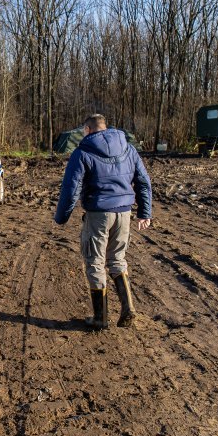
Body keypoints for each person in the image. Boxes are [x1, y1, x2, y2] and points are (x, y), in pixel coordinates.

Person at [54, 114, 152, 329]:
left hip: (98, 214)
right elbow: (143, 181)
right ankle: (128, 308)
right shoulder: (128, 148)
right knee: (117, 259)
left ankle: (101, 318)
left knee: (95, 262)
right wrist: (145, 212)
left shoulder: (82, 152)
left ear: (87, 129)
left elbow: (71, 189)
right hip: (124, 213)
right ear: (105, 128)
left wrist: (61, 217)